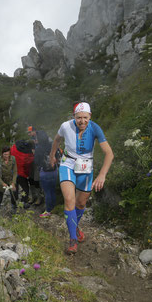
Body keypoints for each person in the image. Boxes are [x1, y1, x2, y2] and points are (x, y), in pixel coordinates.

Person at [49, 102, 114, 255]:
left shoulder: (95, 128)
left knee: (81, 202)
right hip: (68, 163)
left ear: (90, 116)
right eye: (79, 118)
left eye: (85, 117)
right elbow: (57, 140)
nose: (82, 121)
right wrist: (52, 156)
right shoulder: (65, 126)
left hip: (85, 166)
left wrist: (102, 175)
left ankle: (74, 226)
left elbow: (109, 153)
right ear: (74, 117)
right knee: (69, 200)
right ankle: (73, 239)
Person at [36, 133, 62, 218]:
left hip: (44, 172)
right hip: (54, 172)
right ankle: (54, 207)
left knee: (47, 192)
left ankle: (48, 210)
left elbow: (36, 161)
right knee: (52, 190)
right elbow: (58, 156)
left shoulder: (39, 148)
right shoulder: (52, 146)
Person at [27, 125, 48, 206]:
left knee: (40, 179)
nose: (29, 134)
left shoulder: (41, 134)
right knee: (34, 179)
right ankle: (38, 196)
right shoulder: (32, 138)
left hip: (43, 159)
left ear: (34, 131)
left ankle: (42, 198)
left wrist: (38, 143)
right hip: (36, 159)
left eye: (30, 132)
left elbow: (45, 142)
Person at [0, 146, 17, 213]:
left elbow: (15, 172)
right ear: (2, 154)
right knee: (0, 197)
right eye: (5, 154)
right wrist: (3, 183)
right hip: (0, 180)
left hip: (10, 179)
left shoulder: (13, 159)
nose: (7, 156)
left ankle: (14, 208)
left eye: (8, 154)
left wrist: (13, 183)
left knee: (14, 194)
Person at [10, 139, 35, 208]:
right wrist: (27, 174)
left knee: (14, 189)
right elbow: (27, 166)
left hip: (11, 172)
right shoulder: (28, 155)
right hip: (21, 174)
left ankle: (13, 205)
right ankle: (24, 202)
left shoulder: (14, 147)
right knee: (25, 188)